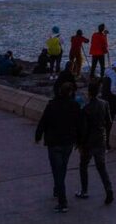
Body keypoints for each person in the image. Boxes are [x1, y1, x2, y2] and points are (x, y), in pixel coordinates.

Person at [36, 80, 81, 213]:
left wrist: (38, 136)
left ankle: (62, 201)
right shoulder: (74, 105)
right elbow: (80, 124)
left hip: (54, 142)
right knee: (63, 168)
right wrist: (80, 140)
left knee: (57, 170)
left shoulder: (52, 105)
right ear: (71, 93)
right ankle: (58, 190)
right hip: (68, 142)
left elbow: (43, 121)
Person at [76, 79, 114, 205]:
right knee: (101, 167)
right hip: (100, 139)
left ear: (89, 93)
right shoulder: (105, 104)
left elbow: (83, 129)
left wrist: (80, 144)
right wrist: (106, 138)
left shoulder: (86, 109)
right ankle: (109, 190)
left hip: (88, 142)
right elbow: (109, 122)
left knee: (83, 166)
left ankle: (84, 190)